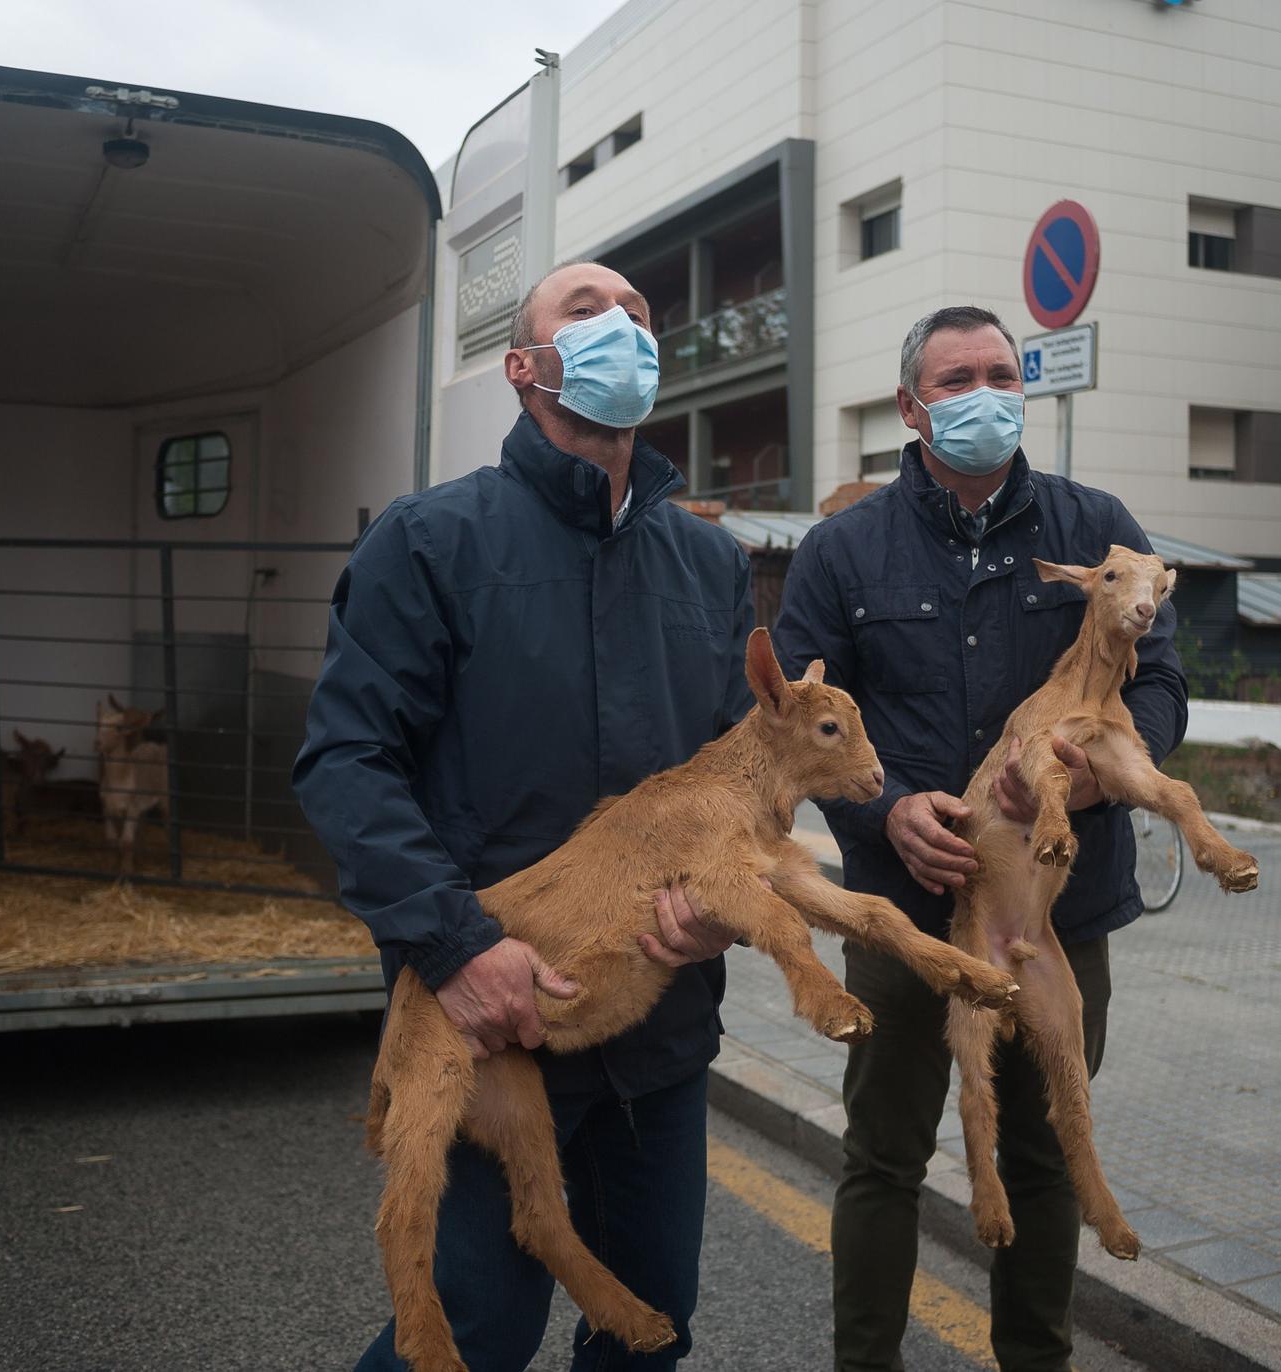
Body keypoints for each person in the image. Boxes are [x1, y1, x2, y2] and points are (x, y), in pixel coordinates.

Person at [294, 260, 755, 1372]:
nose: (623, 330)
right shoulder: (428, 542)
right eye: (587, 312)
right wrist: (454, 947)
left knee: (648, 1326)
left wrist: (719, 907)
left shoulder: (708, 563)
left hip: (658, 1029)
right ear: (522, 364)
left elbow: (742, 776)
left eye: (640, 316)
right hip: (488, 1025)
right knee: (465, 1332)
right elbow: (347, 761)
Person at [772, 305, 1188, 1372]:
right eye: (955, 378)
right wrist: (882, 812)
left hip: (1058, 912)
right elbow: (793, 723)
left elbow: (1166, 688)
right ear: (912, 407)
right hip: (903, 919)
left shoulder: (1094, 530)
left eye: (1000, 372)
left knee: (1046, 1161)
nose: (983, 393)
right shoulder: (842, 550)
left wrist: (1097, 777)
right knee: (882, 1161)